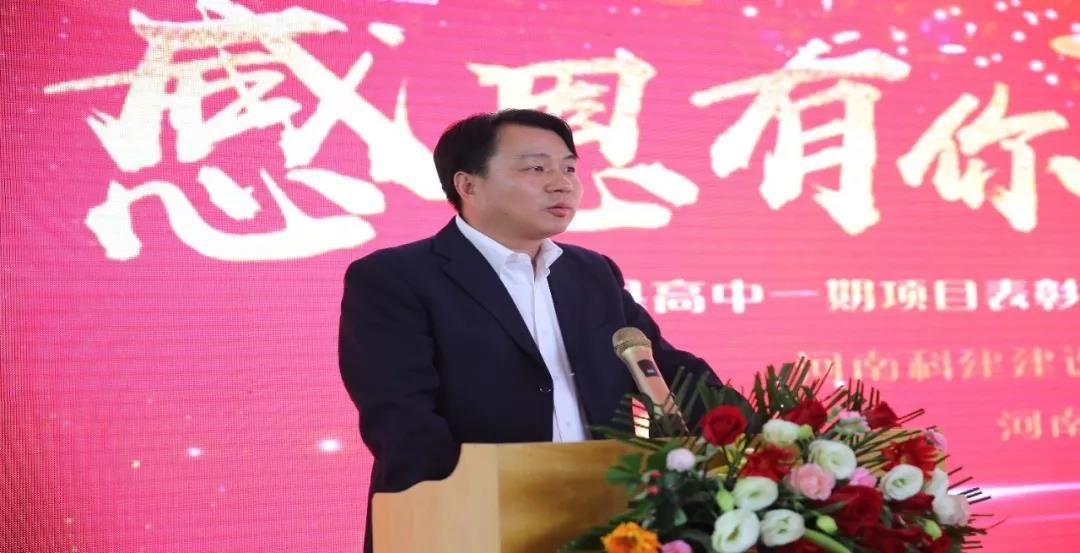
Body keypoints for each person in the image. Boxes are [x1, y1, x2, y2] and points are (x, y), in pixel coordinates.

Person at [338, 109, 731, 551]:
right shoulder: (396, 278)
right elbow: (402, 421)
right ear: (468, 185)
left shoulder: (592, 273)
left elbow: (664, 368)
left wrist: (758, 434)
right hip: (465, 523)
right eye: (536, 168)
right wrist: (485, 501)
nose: (562, 183)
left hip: (606, 522)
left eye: (569, 168)